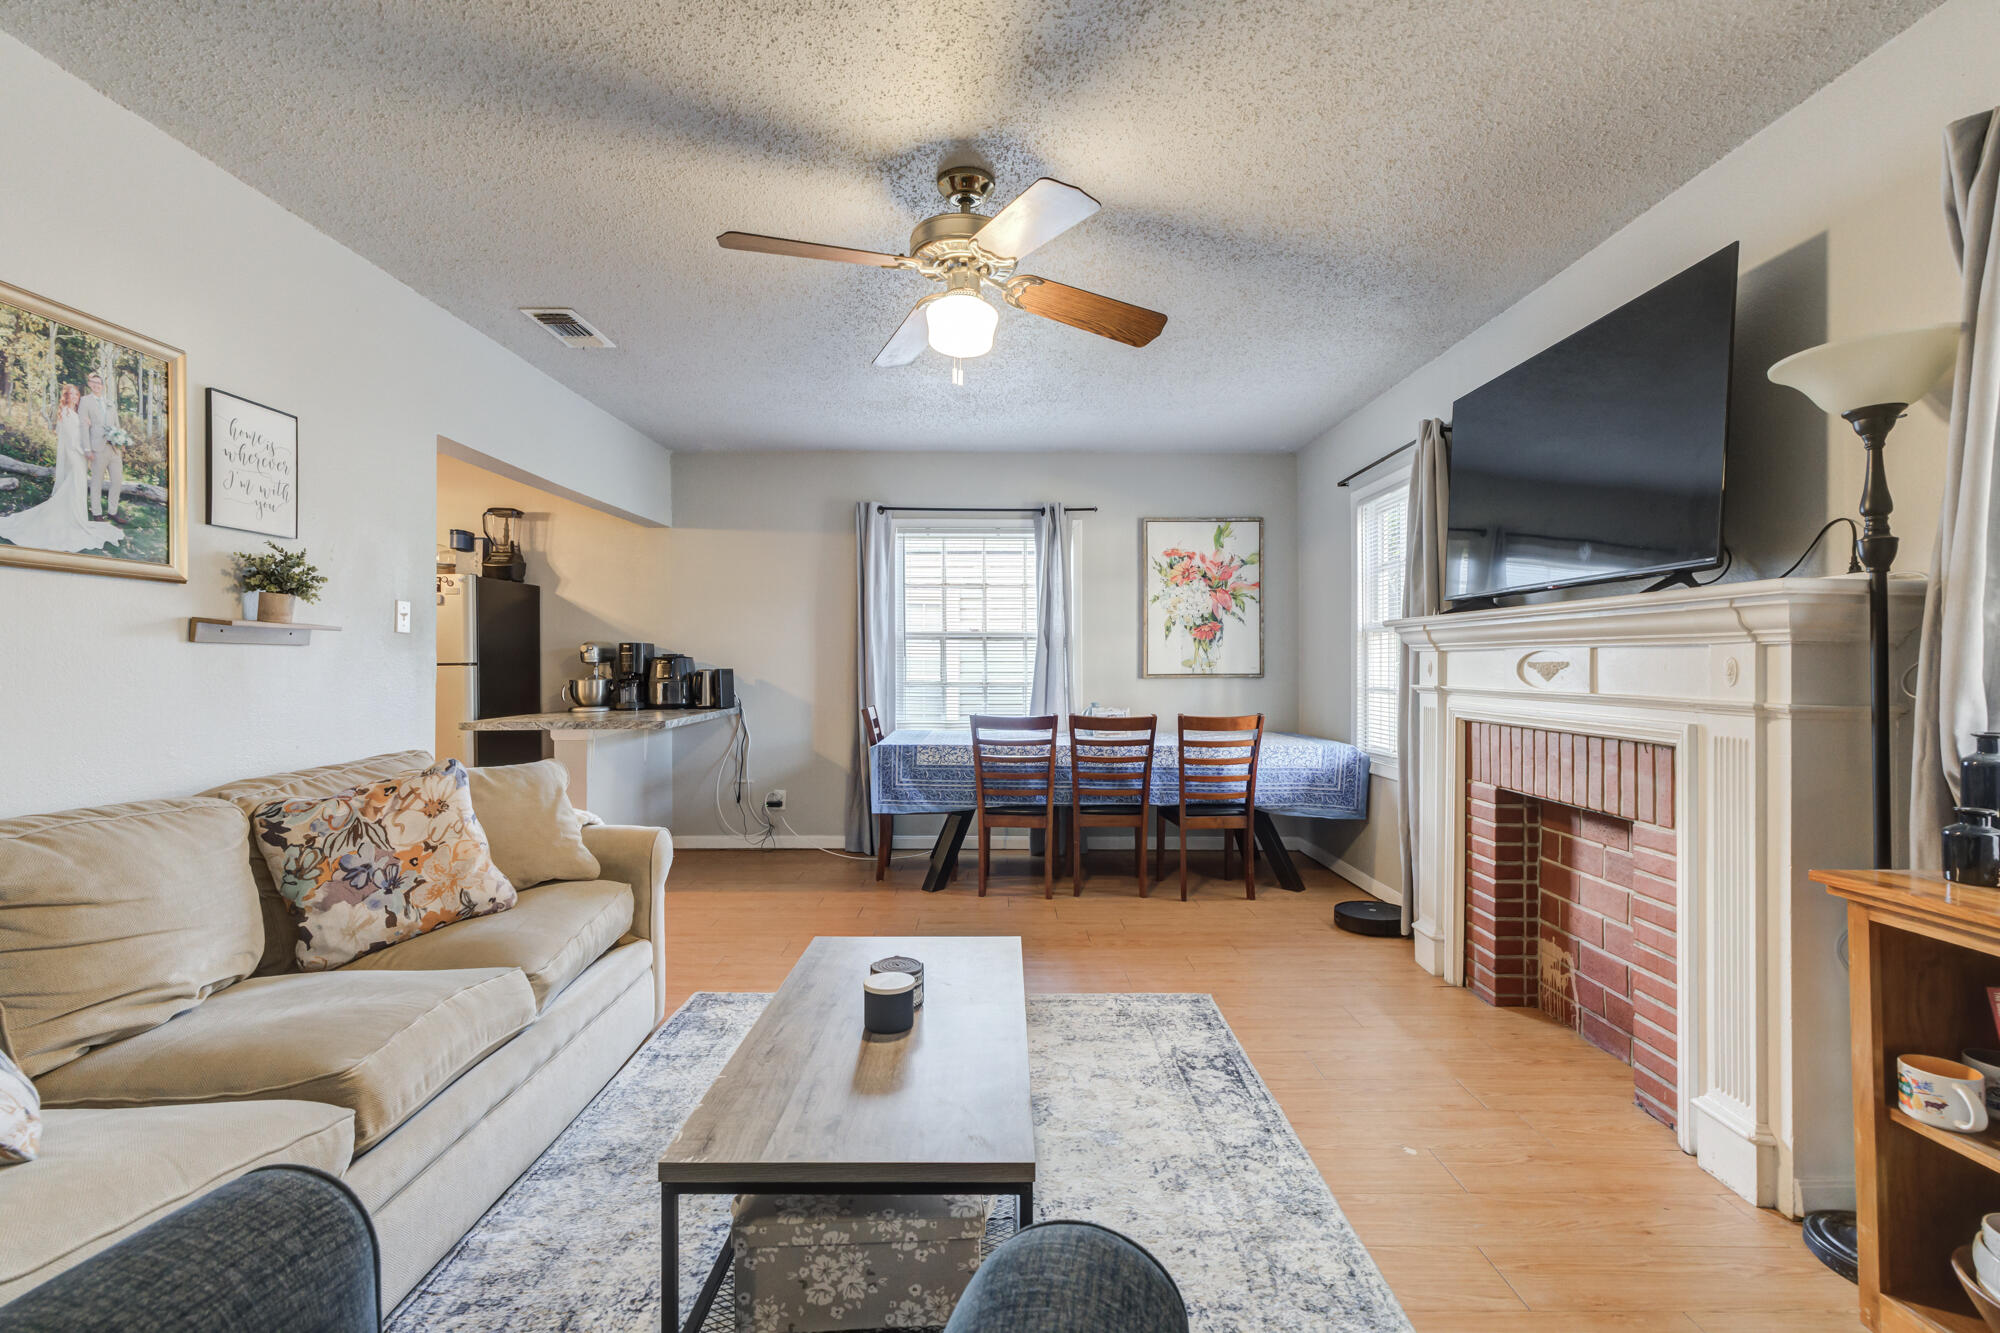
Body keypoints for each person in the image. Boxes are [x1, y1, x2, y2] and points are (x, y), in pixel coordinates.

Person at [0, 385, 120, 553]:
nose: (75, 397)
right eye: (71, 394)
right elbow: (71, 439)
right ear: (66, 396)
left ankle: (77, 518)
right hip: (75, 455)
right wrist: (85, 452)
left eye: (76, 394)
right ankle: (71, 518)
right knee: (76, 484)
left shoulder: (76, 413)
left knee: (77, 486)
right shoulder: (65, 412)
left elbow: (83, 432)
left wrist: (88, 426)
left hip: (80, 455)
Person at [79, 370, 121, 522]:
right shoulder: (85, 401)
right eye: (93, 383)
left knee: (117, 481)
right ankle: (97, 513)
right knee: (97, 481)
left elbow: (116, 424)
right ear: (90, 384)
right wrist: (87, 448)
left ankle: (112, 511)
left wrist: (121, 440)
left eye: (99, 383)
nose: (96, 385)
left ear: (102, 386)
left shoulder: (110, 402)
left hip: (114, 448)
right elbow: (83, 426)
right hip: (97, 447)